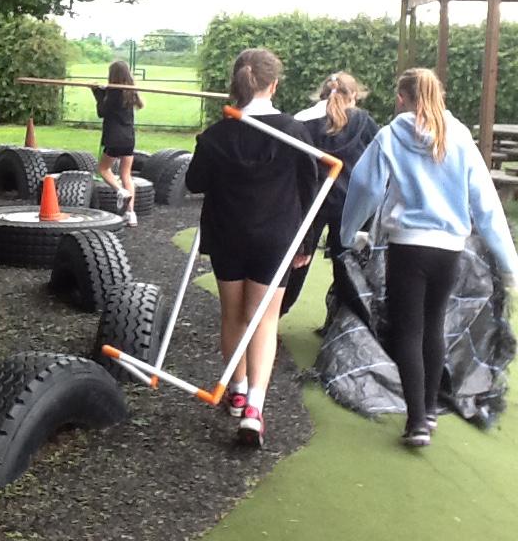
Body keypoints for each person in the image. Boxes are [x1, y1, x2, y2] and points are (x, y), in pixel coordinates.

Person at [341, 68, 518, 448]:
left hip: (408, 246)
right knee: (434, 326)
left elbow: (366, 186)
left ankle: (417, 421)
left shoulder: (391, 135)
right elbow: (486, 205)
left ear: (402, 98)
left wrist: (347, 233)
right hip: (449, 249)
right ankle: (430, 412)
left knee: (408, 331)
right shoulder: (461, 136)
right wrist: (510, 264)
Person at [185, 48, 318, 447]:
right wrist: (307, 242)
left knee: (233, 315)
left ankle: (238, 391)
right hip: (275, 237)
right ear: (273, 85)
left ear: (235, 85)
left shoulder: (217, 135)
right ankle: (254, 408)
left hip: (228, 234)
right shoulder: (293, 131)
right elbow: (310, 187)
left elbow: (194, 182)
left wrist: (214, 151)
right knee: (263, 320)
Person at [281, 72, 379, 320]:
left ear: (322, 93)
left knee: (296, 263)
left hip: (310, 202)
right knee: (347, 266)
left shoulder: (301, 121)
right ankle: (346, 326)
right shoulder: (365, 123)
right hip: (350, 204)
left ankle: (272, 319)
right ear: (354, 95)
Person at [92, 60, 144, 227]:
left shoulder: (114, 94)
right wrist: (101, 91)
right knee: (126, 175)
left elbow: (102, 111)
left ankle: (120, 190)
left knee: (103, 169)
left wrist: (97, 93)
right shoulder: (131, 92)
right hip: (129, 139)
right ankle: (131, 214)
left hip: (114, 138)